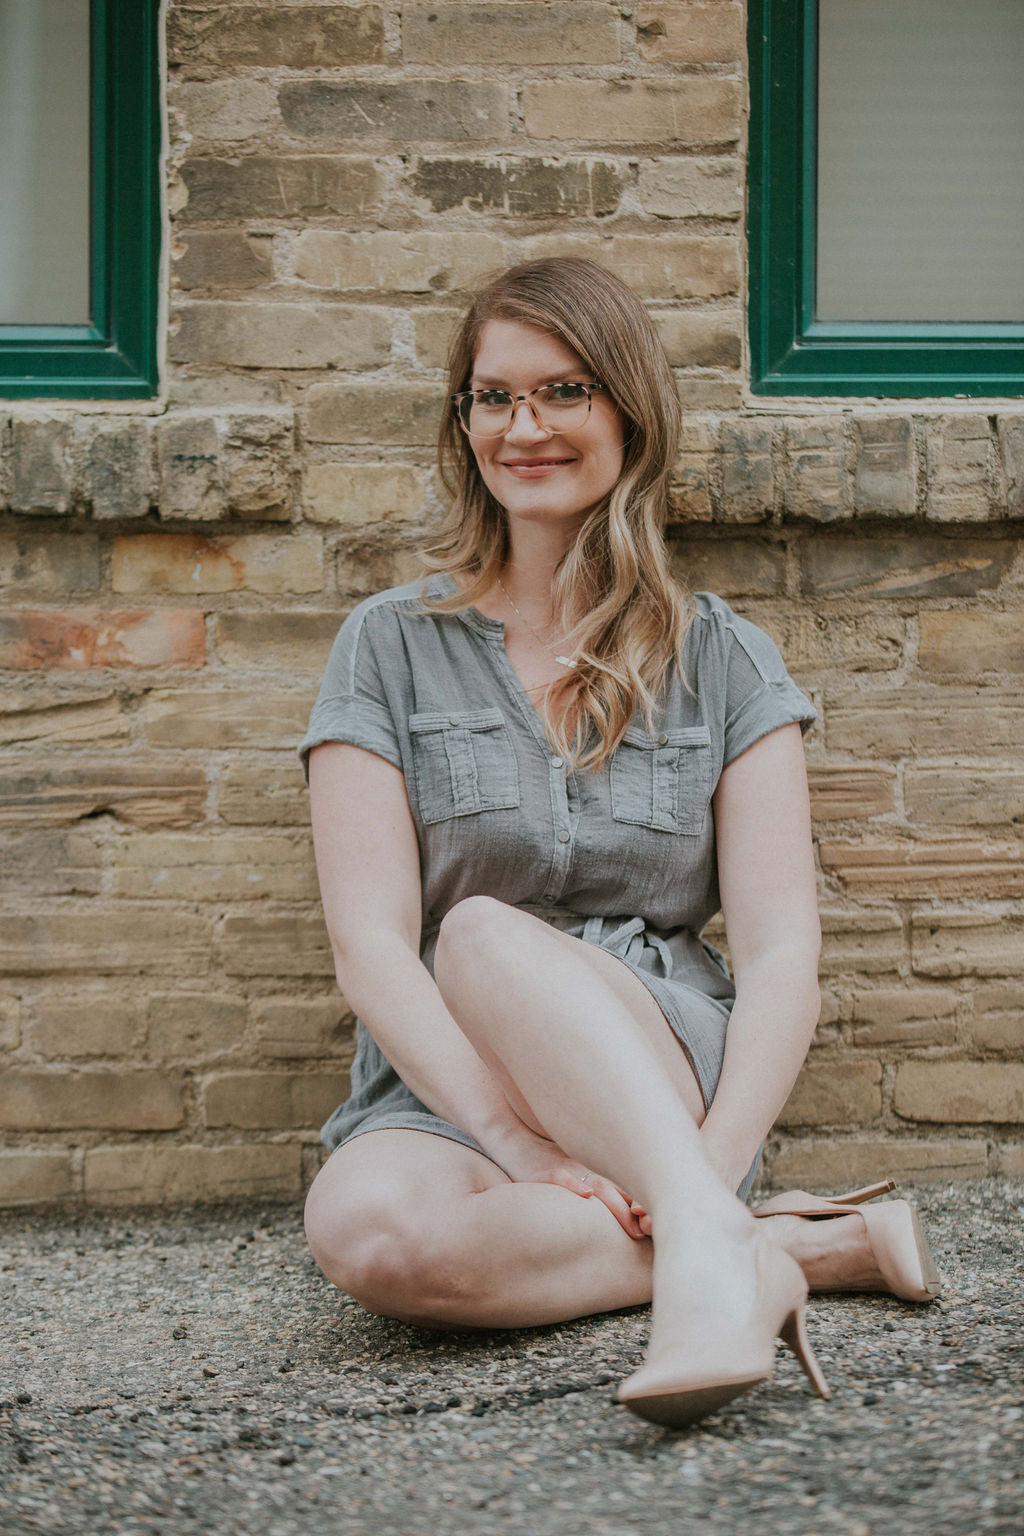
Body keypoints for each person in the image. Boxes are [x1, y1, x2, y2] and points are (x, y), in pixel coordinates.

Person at [299, 257, 940, 1428]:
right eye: (493, 397)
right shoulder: (386, 646)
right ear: (465, 422)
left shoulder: (724, 660)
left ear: (629, 415)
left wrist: (718, 1152)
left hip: (659, 1070)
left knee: (486, 933)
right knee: (369, 1235)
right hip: (451, 1084)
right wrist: (510, 1141)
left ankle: (702, 1229)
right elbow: (372, 946)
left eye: (564, 392)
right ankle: (780, 1248)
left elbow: (782, 956)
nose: (523, 427)